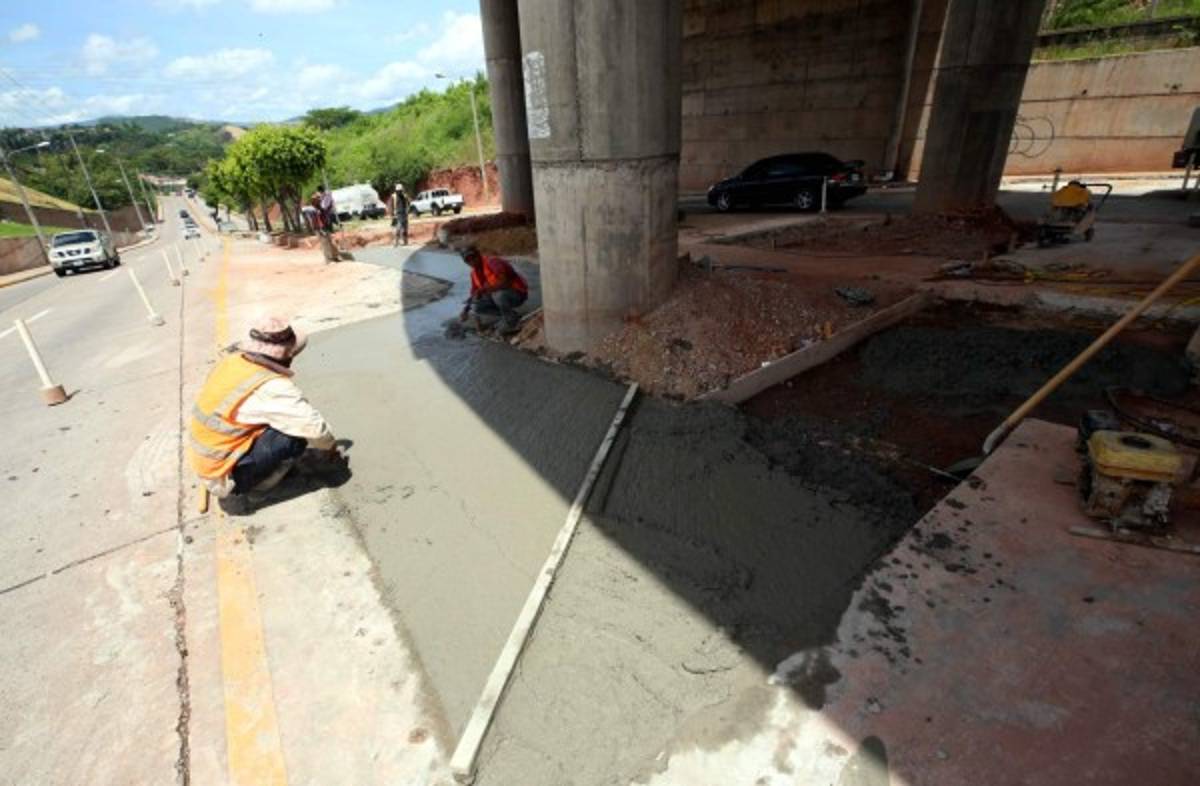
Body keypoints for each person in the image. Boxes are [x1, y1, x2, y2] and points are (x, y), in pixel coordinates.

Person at [188, 317, 344, 507]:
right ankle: (260, 489)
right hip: (223, 473)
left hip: (207, 456)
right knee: (294, 438)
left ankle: (254, 472)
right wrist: (330, 449)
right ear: (287, 355)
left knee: (281, 423)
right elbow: (315, 429)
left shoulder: (233, 361)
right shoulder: (273, 388)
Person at [459, 246, 528, 335]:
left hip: (518, 293)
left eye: (473, 257)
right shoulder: (474, 274)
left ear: (478, 255)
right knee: (476, 305)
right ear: (466, 262)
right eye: (468, 260)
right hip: (499, 295)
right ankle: (511, 315)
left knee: (498, 295)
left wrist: (484, 289)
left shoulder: (493, 262)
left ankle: (511, 323)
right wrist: (465, 311)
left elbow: (505, 283)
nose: (472, 261)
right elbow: (474, 294)